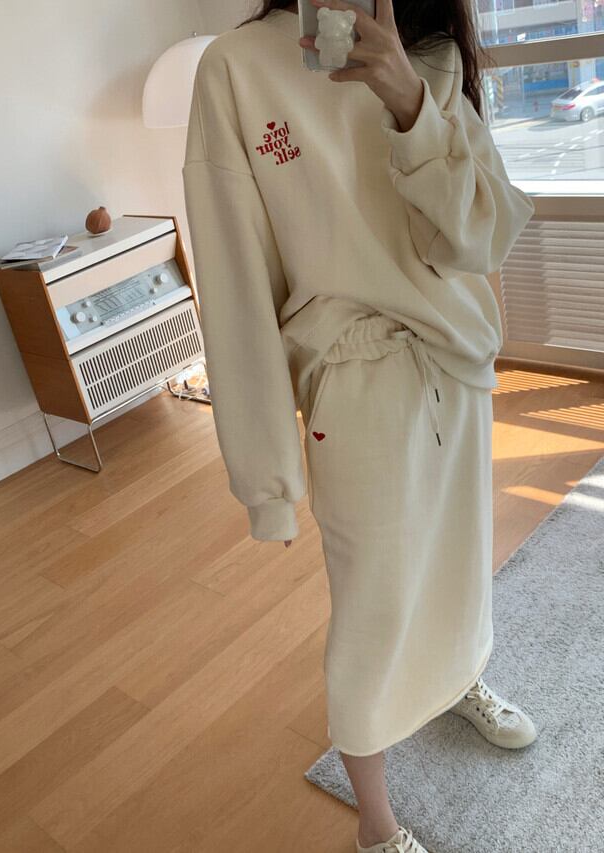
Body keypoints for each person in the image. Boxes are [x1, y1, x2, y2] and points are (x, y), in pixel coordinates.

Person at [181, 1, 538, 851]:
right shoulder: (236, 68)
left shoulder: (428, 48)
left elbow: (482, 234)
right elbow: (235, 282)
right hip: (352, 381)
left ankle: (457, 679)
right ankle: (376, 824)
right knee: (372, 613)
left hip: (456, 362)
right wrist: (268, 479)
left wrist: (410, 101)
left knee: (460, 564)